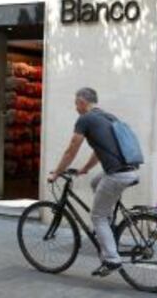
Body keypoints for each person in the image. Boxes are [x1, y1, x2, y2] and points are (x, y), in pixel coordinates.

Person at [48, 87, 139, 277]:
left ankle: (112, 259)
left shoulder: (85, 119)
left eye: (75, 103)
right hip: (129, 170)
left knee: (97, 216)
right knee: (95, 182)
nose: (75, 108)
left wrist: (57, 173)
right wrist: (86, 169)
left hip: (117, 175)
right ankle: (109, 222)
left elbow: (71, 149)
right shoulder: (107, 116)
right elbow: (100, 150)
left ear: (82, 101)